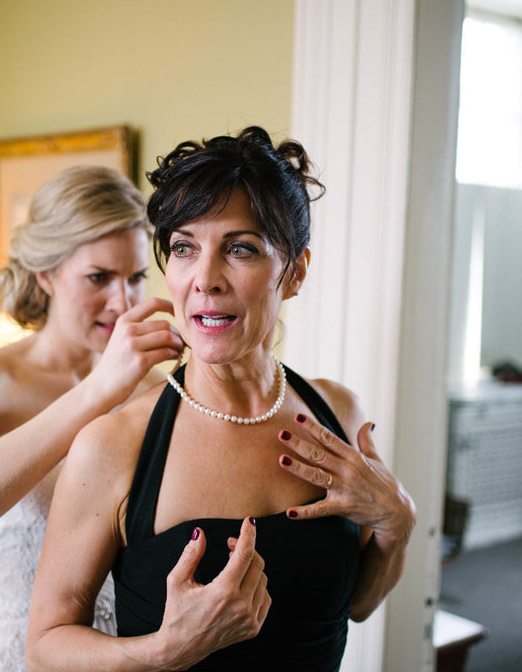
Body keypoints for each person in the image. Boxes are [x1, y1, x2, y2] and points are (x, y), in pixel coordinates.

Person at [26, 127, 417, 671]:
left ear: (295, 273)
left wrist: (396, 527)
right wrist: (164, 652)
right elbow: (44, 647)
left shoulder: (338, 415)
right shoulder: (115, 445)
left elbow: (358, 606)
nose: (204, 279)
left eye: (239, 249)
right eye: (184, 248)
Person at [0, 165, 184, 672]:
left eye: (134, 278)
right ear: (46, 274)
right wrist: (98, 390)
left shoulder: (158, 391)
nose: (122, 303)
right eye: (98, 278)